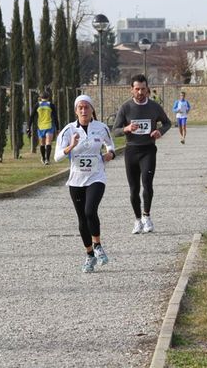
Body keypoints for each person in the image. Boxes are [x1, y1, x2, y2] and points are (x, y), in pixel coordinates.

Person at [54, 94, 116, 273]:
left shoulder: (101, 127)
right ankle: (89, 255)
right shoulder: (68, 131)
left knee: (90, 210)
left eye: (86, 107)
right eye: (80, 107)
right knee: (82, 218)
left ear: (91, 110)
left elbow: (110, 146)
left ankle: (97, 245)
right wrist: (70, 146)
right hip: (76, 180)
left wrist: (109, 154)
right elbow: (58, 157)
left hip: (96, 177)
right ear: (76, 111)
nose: (83, 110)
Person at [113, 74, 171, 234]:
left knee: (147, 183)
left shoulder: (154, 107)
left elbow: (167, 123)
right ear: (131, 90)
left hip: (148, 150)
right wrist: (126, 129)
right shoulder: (126, 107)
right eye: (137, 89)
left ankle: (147, 216)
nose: (140, 92)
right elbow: (115, 131)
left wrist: (160, 131)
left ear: (148, 90)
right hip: (131, 150)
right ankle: (137, 220)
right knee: (133, 188)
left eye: (143, 89)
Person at [27, 90, 59, 165]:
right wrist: (57, 128)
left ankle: (43, 158)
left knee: (42, 143)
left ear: (40, 98)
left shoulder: (37, 105)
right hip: (49, 126)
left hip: (41, 127)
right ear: (48, 98)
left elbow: (31, 116)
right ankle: (47, 159)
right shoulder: (51, 105)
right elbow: (55, 117)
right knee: (48, 143)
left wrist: (28, 127)